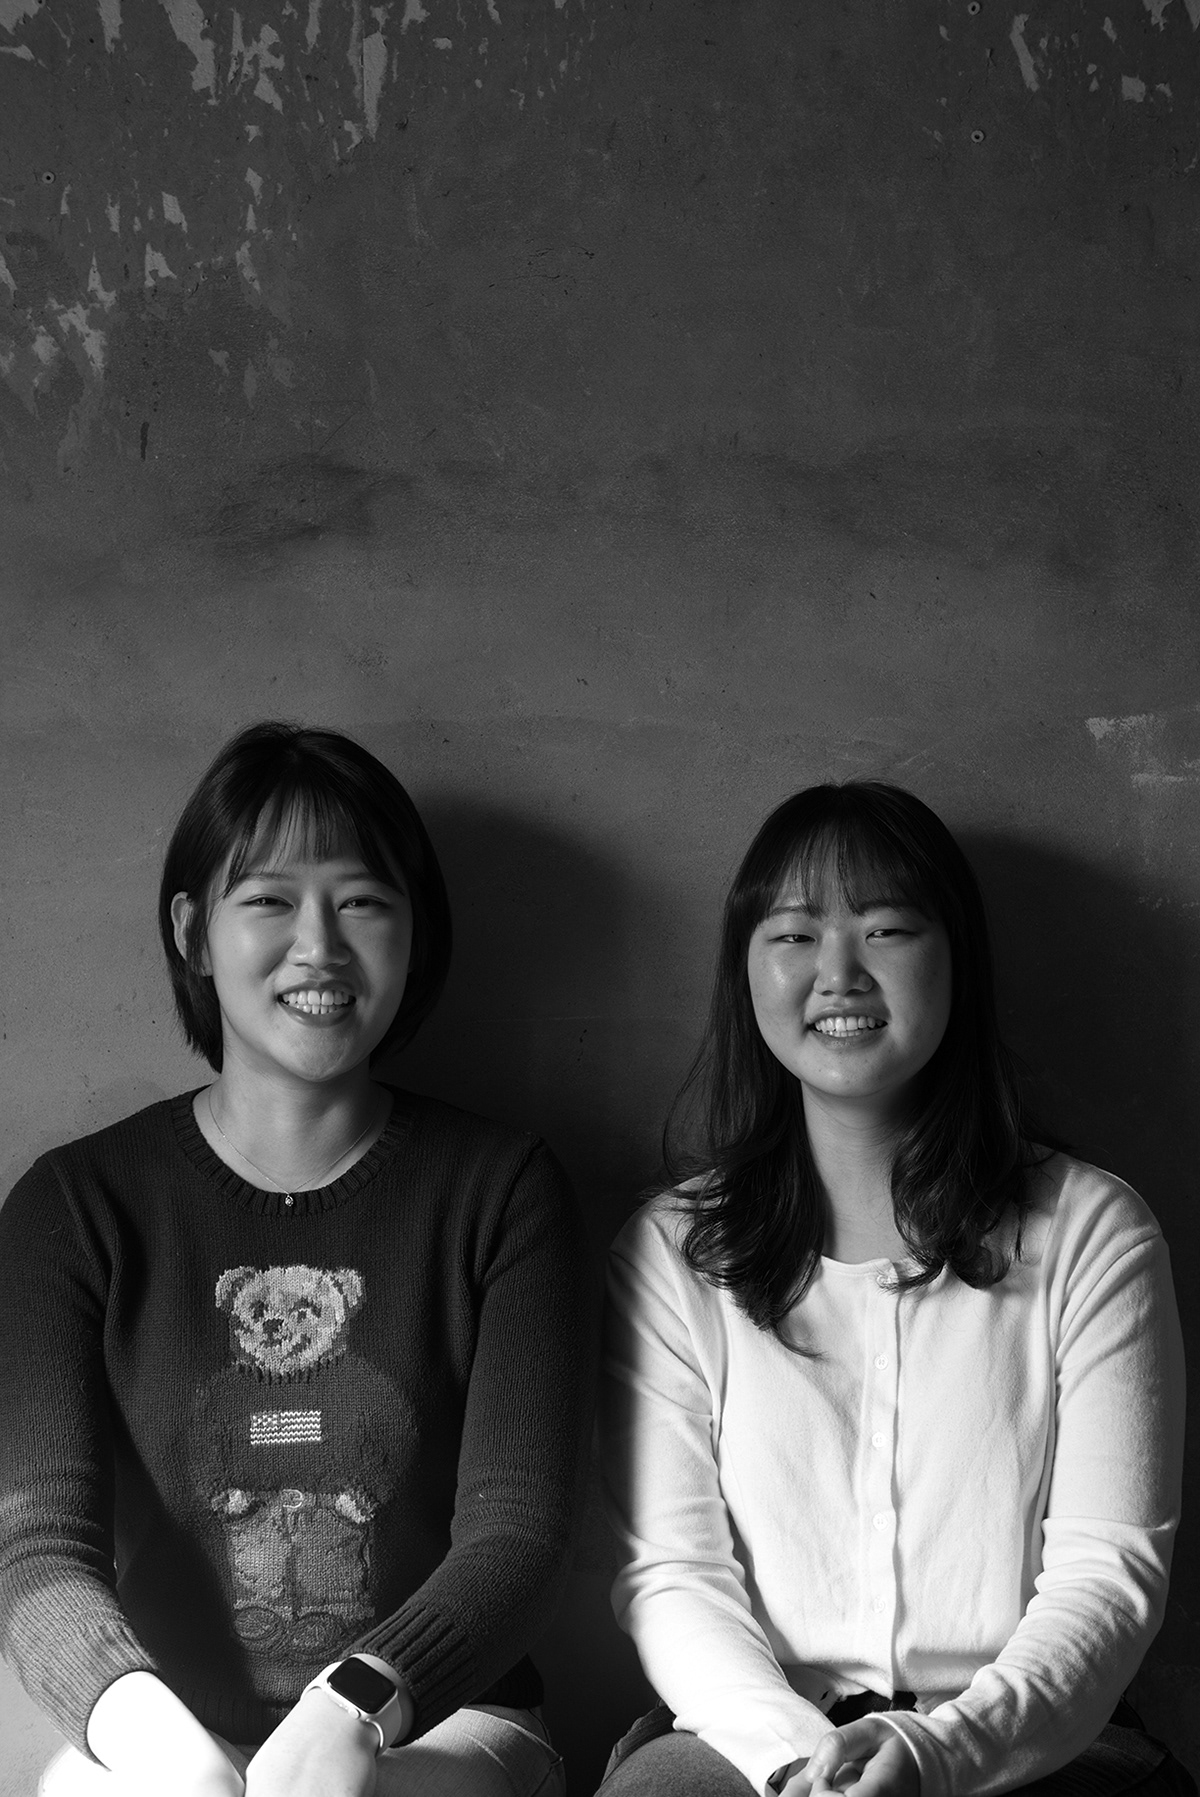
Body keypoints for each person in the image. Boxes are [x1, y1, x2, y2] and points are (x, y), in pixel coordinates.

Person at [0, 721, 594, 1797]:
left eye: (361, 901)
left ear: (414, 933)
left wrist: (354, 1706)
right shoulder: (73, 1207)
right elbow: (36, 1544)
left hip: (441, 1730)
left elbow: (520, 1533)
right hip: (158, 1729)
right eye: (270, 899)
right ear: (194, 931)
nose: (319, 946)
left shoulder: (505, 1190)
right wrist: (169, 1755)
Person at [599, 781, 1190, 1797]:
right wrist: (799, 1760)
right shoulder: (672, 1253)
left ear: (956, 959)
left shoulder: (1093, 1231)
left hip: (1034, 1740)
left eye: (886, 929)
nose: (839, 974)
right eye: (794, 936)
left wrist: (941, 1751)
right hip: (751, 1740)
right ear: (746, 971)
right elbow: (673, 1574)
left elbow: (1108, 1574)